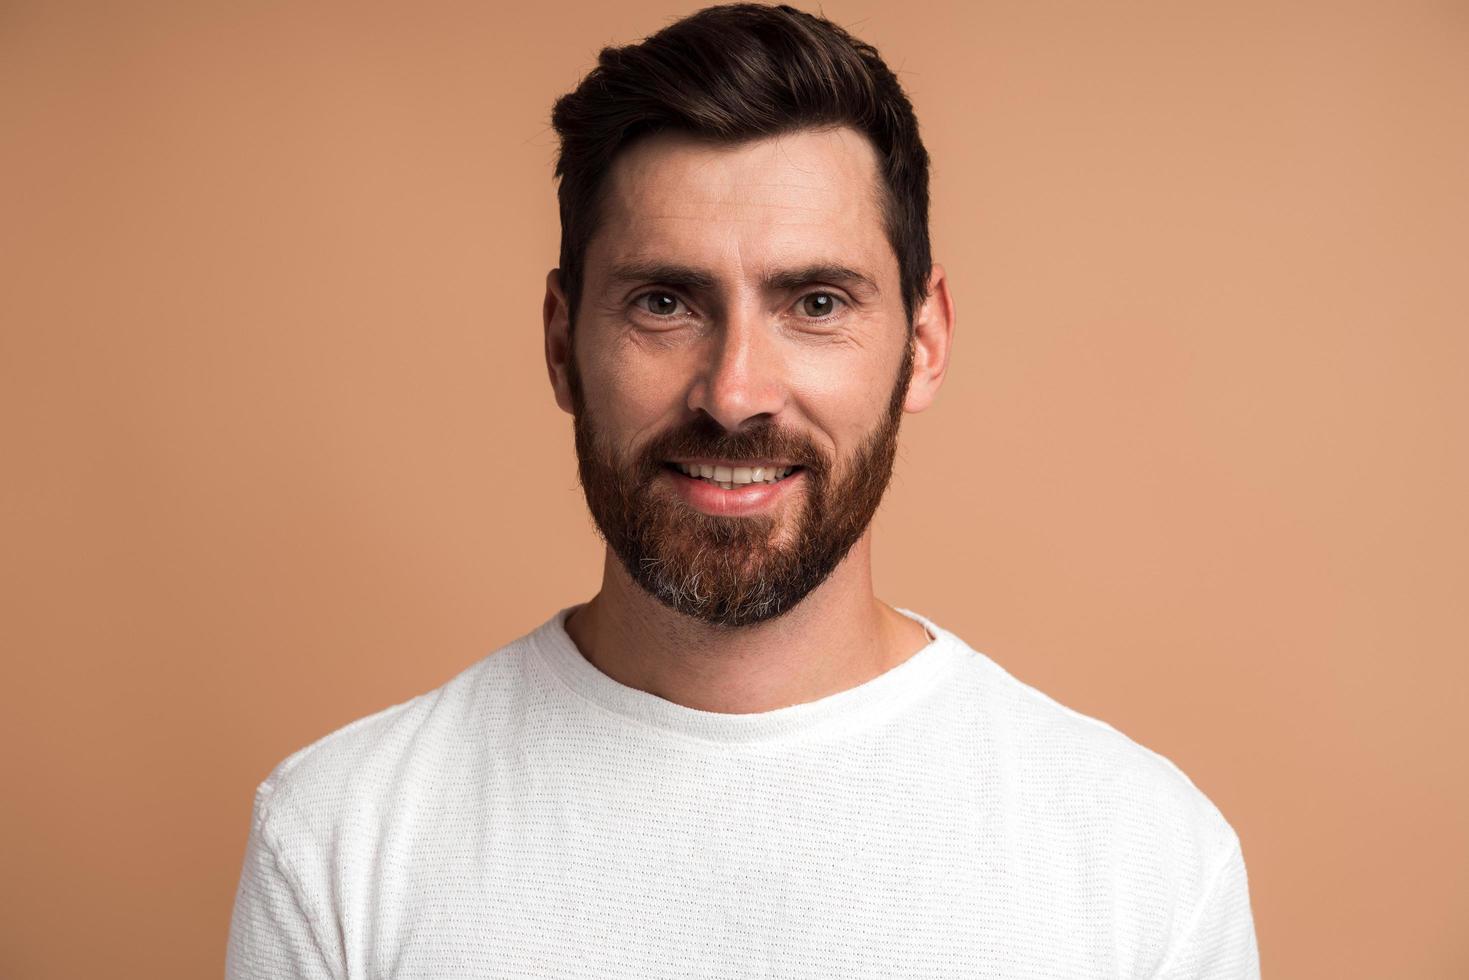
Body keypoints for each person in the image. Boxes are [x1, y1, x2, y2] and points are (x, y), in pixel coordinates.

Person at [226, 5, 1259, 977]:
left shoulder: (1141, 860)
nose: (733, 394)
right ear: (559, 342)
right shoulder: (338, 842)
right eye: (665, 302)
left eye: (814, 301)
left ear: (925, 338)